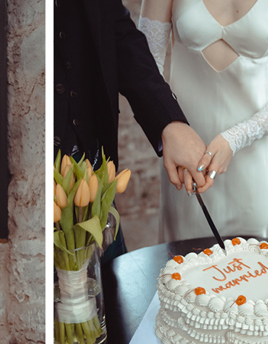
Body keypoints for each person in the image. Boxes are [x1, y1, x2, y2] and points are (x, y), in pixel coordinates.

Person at [139, 0, 268, 242]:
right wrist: (170, 130)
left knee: (254, 263)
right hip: (187, 151)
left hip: (255, 151)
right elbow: (143, 65)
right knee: (183, 263)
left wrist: (235, 139)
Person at [54, 0, 210, 261]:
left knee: (110, 286)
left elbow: (120, 36)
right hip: (30, 179)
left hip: (91, 167)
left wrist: (170, 122)